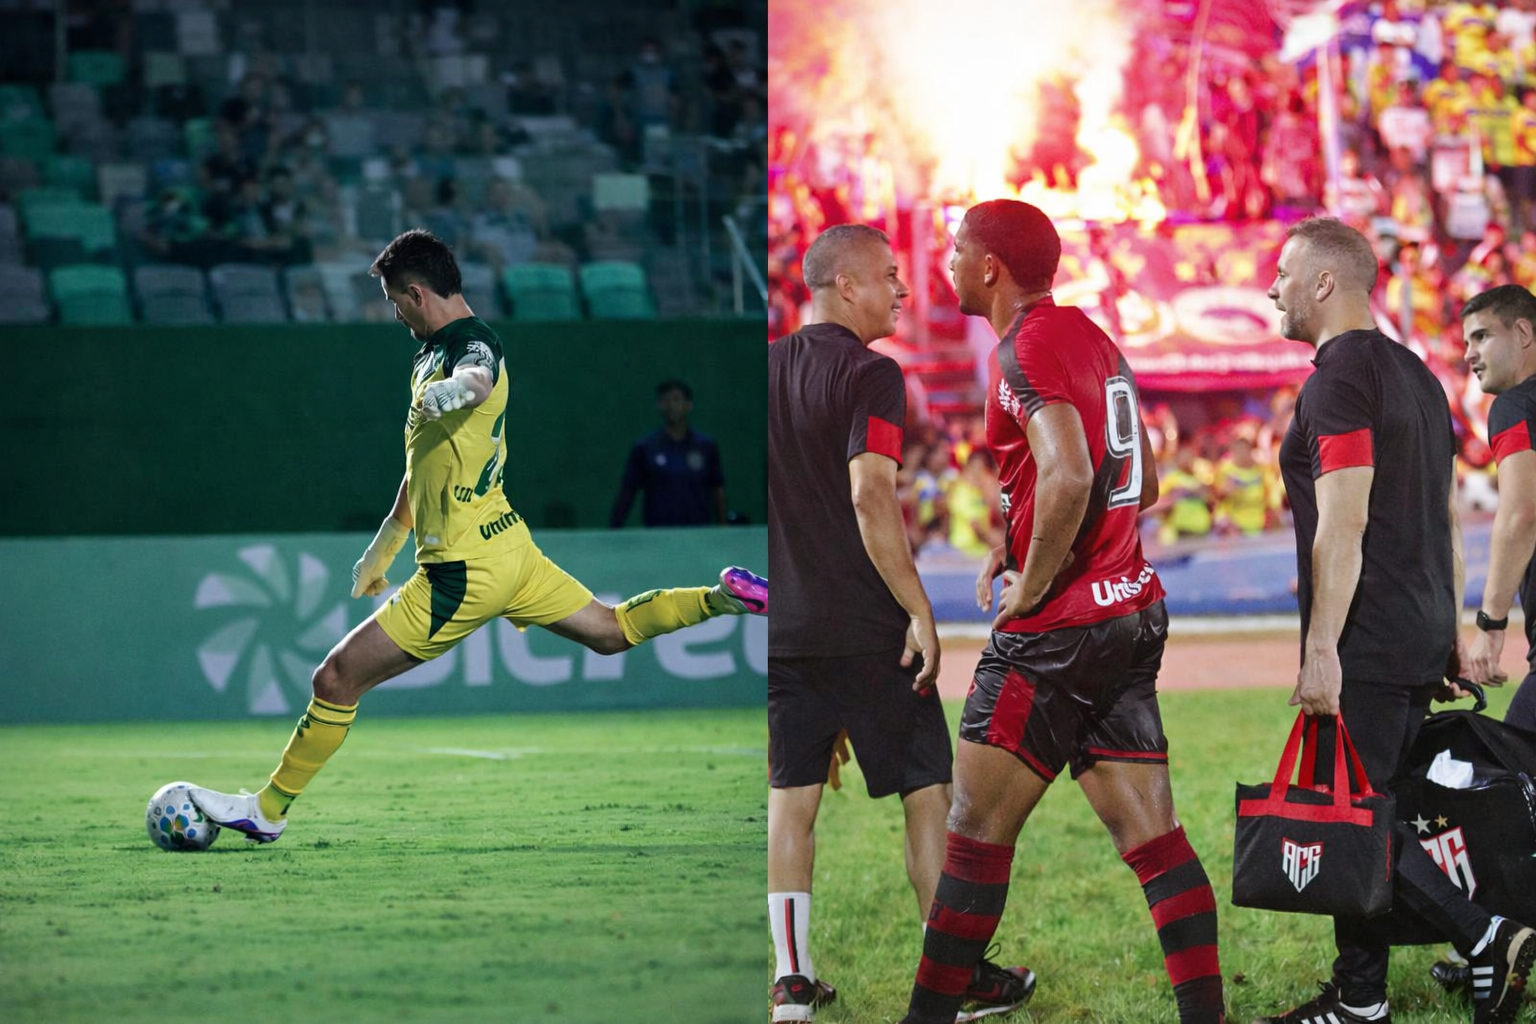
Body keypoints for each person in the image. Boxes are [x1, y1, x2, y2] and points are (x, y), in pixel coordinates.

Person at [184, 230, 767, 843]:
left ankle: (267, 810)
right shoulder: (430, 353)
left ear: (415, 292)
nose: (394, 314)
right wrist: (383, 548)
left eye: (393, 302)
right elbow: (423, 466)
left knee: (334, 679)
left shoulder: (472, 344)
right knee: (610, 631)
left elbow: (478, 381)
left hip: (462, 572)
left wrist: (451, 391)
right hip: (509, 546)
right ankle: (720, 598)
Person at [902, 199, 1224, 1024]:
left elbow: (1074, 475)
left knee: (972, 834)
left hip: (1059, 632)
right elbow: (1141, 483)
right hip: (1131, 612)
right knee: (1156, 843)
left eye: (953, 250)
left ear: (989, 268)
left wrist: (1034, 584)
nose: (942, 263)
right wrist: (1015, 540)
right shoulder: (1093, 337)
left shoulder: (1024, 350)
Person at [1258, 217, 1534, 1024]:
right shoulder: (1416, 374)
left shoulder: (1338, 379)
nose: (1270, 289)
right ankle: (1362, 994)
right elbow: (1446, 519)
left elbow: (1342, 521)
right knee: (1376, 806)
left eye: (1282, 273)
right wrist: (1448, 625)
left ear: (1323, 283)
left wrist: (1320, 650)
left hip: (1367, 635)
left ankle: (1484, 939)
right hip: (1415, 624)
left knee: (1349, 815)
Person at [768, 223, 1030, 1024]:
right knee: (927, 790)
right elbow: (869, 494)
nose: (903, 290)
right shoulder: (873, 374)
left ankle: (790, 985)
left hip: (784, 628)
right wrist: (919, 609)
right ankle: (952, 981)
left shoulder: (764, 369)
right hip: (868, 625)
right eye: (888, 276)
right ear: (845, 285)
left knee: (792, 800)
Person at [1462, 284, 1536, 733]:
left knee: (1516, 780)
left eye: (1483, 336)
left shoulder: (1515, 406)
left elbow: (1520, 513)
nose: (1470, 353)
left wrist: (1490, 624)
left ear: (1523, 332)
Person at [609, 379, 726, 528]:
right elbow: (627, 492)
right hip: (658, 537)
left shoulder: (706, 446)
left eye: (676, 399)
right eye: (665, 400)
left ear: (689, 405)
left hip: (699, 535)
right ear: (658, 406)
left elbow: (717, 490)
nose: (671, 405)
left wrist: (723, 530)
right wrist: (613, 530)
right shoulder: (645, 447)